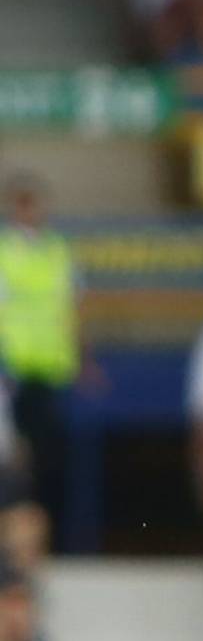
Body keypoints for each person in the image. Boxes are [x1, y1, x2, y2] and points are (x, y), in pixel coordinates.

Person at [0, 177, 81, 545]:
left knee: (51, 459)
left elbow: (71, 306)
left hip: (51, 369)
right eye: (23, 203)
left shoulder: (58, 251)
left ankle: (49, 540)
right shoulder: (4, 250)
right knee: (14, 458)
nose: (30, 211)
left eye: (35, 203)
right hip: (11, 369)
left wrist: (85, 359)